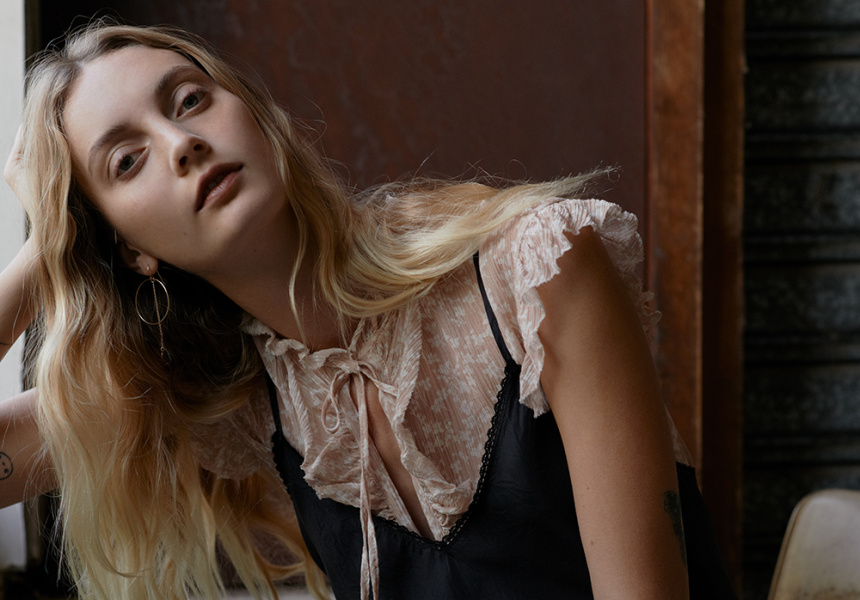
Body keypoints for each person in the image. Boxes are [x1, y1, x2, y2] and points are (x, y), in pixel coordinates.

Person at [0, 21, 736, 600]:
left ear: (257, 116)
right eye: (126, 161)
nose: (182, 143)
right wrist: (48, 251)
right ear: (129, 249)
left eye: (190, 100)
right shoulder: (240, 402)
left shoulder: (537, 270)